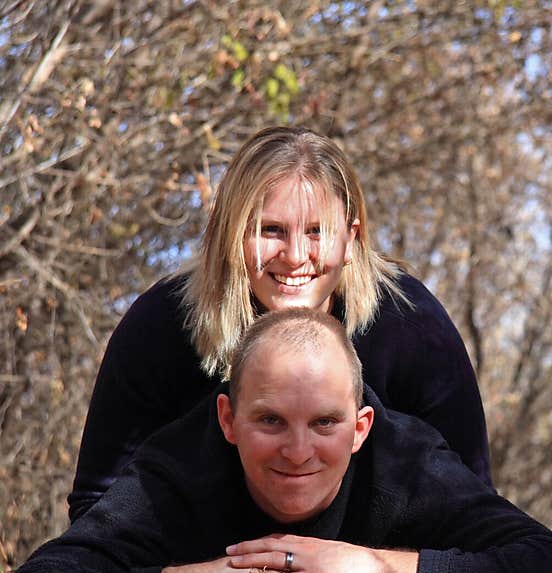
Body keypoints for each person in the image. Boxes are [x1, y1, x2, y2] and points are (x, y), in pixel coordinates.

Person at [68, 126, 492, 523]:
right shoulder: (162, 325)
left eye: (316, 231)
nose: (293, 255)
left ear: (352, 238)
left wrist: (368, 570)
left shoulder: (412, 327)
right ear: (230, 234)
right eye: (270, 229)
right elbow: (95, 508)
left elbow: (473, 512)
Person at [6, 309, 552, 573]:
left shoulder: (406, 461)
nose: (298, 450)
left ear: (362, 428)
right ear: (227, 419)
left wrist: (379, 567)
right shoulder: (177, 471)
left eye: (325, 423)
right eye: (271, 421)